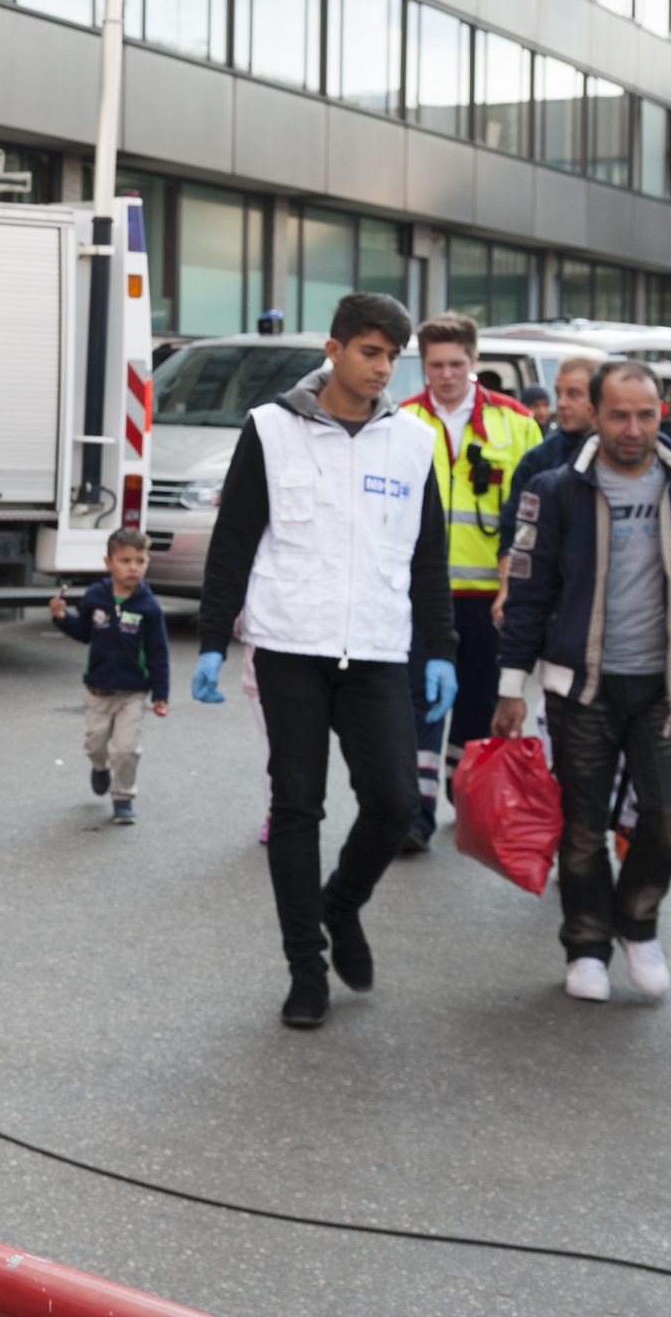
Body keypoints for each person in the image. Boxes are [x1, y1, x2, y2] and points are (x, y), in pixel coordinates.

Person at [189, 293, 456, 1030]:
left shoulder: (411, 442)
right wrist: (214, 638)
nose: (384, 369)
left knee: (397, 800)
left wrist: (441, 649)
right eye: (372, 352)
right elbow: (235, 539)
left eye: (392, 357)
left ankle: (343, 903)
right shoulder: (271, 431)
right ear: (334, 350)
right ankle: (305, 967)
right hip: (289, 647)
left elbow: (427, 554)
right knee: (297, 806)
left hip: (375, 648)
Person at [494, 361, 671, 1004]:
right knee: (581, 828)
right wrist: (509, 688)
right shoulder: (557, 490)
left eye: (644, 415)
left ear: (661, 413)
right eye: (618, 415)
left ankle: (636, 923)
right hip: (579, 691)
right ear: (594, 414)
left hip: (666, 689)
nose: (632, 429)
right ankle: (585, 946)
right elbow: (527, 597)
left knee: (669, 818)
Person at [398, 313, 542, 851]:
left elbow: (533, 515)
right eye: (435, 365)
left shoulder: (517, 422)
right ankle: (416, 811)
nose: (446, 375)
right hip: (422, 595)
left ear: (475, 362)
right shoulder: (401, 418)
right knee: (420, 700)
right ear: (423, 365)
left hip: (491, 597)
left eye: (457, 364)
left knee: (479, 704)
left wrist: (523, 592)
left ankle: (465, 792)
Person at [48, 528, 171, 825]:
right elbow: (84, 634)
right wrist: (61, 618)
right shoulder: (95, 597)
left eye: (139, 561)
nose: (132, 567)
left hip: (133, 692)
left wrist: (160, 695)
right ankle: (100, 768)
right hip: (98, 689)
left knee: (126, 749)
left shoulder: (149, 607)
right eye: (125, 560)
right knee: (95, 744)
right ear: (108, 562)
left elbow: (158, 652)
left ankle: (123, 798)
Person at [497, 355, 600, 575]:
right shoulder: (538, 460)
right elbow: (511, 533)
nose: (561, 403)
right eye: (558, 393)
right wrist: (508, 590)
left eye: (574, 394)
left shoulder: (624, 455)